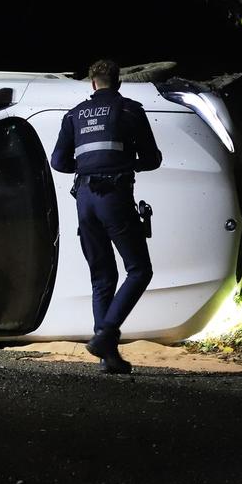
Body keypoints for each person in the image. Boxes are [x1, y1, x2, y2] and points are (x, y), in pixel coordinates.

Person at [50, 59, 162, 374]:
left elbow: (58, 161)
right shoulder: (129, 110)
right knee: (139, 270)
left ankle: (108, 358)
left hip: (84, 200)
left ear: (92, 83)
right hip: (114, 196)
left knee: (102, 278)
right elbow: (152, 159)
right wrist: (125, 164)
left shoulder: (74, 115)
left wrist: (87, 169)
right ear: (117, 82)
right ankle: (106, 333)